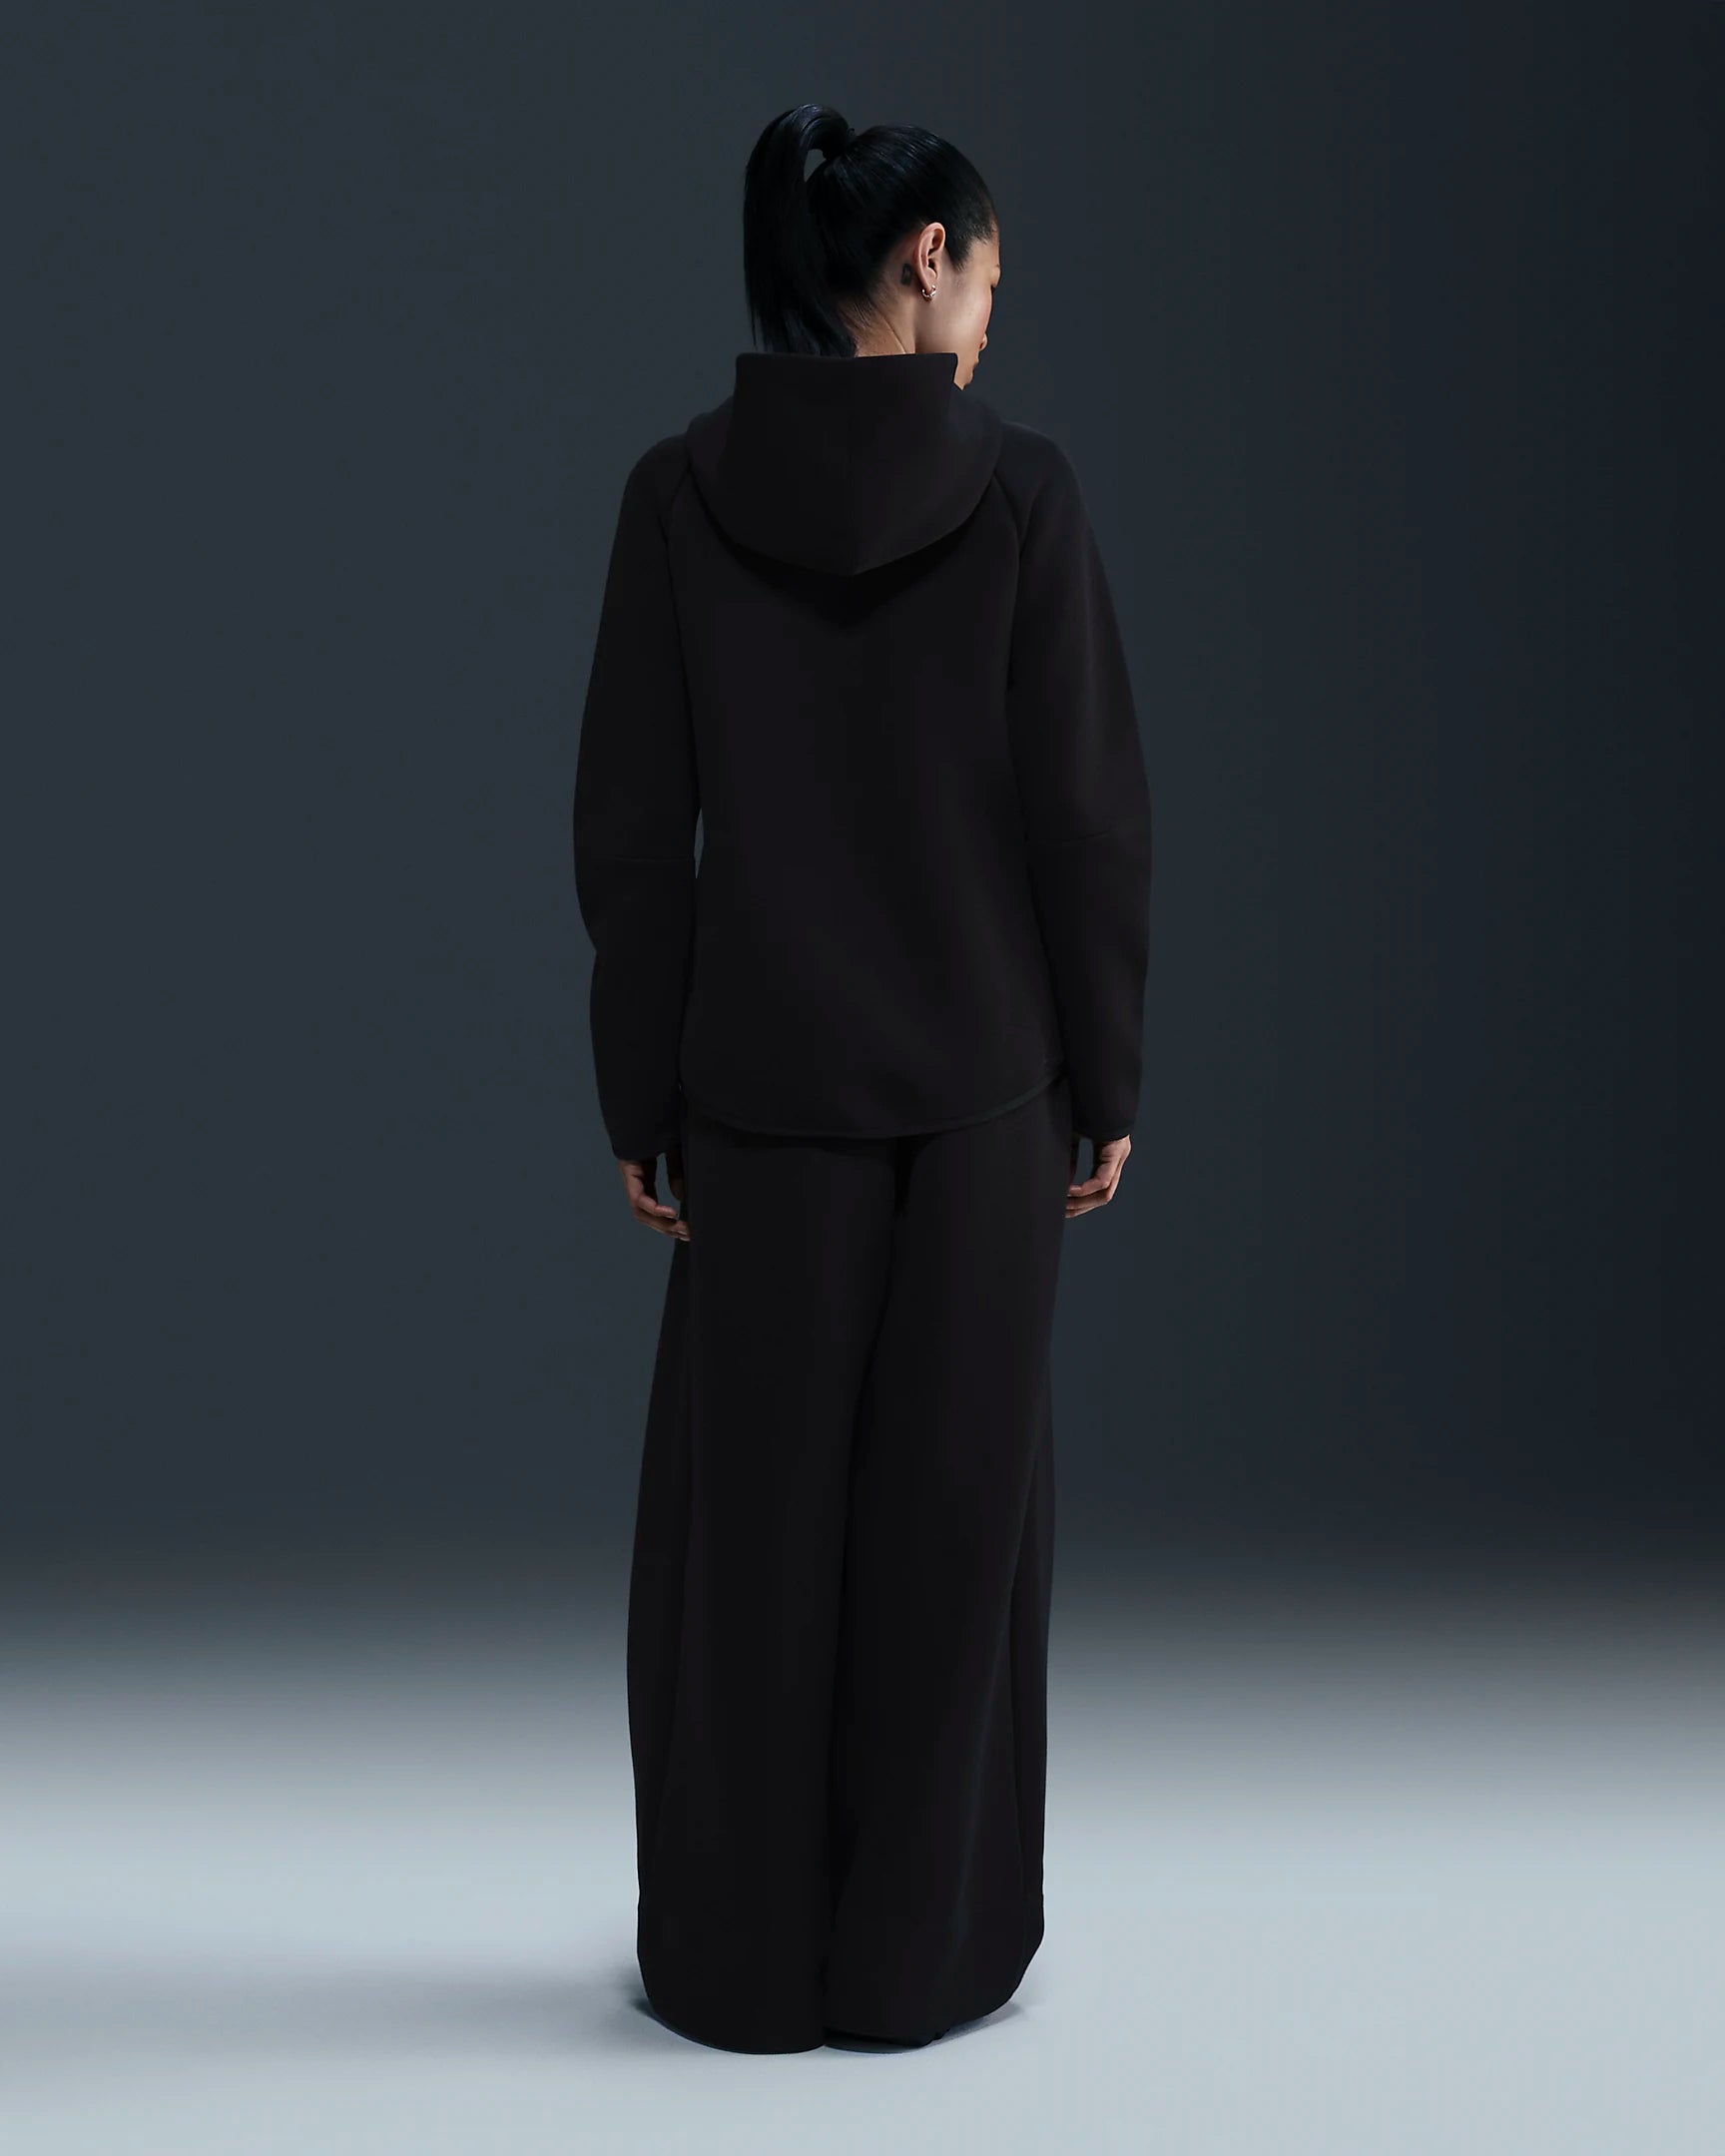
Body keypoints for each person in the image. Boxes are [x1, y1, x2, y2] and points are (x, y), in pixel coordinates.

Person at [571, 102, 1153, 2055]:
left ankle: (736, 1968)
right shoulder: (1023, 495)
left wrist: (637, 1093)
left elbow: (636, 834)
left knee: (752, 1538)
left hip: (754, 1094)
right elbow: (1086, 822)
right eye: (988, 279)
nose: (990, 318)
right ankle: (921, 1966)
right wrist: (1108, 1069)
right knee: (952, 1531)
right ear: (924, 261)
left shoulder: (676, 493)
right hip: (986, 1094)